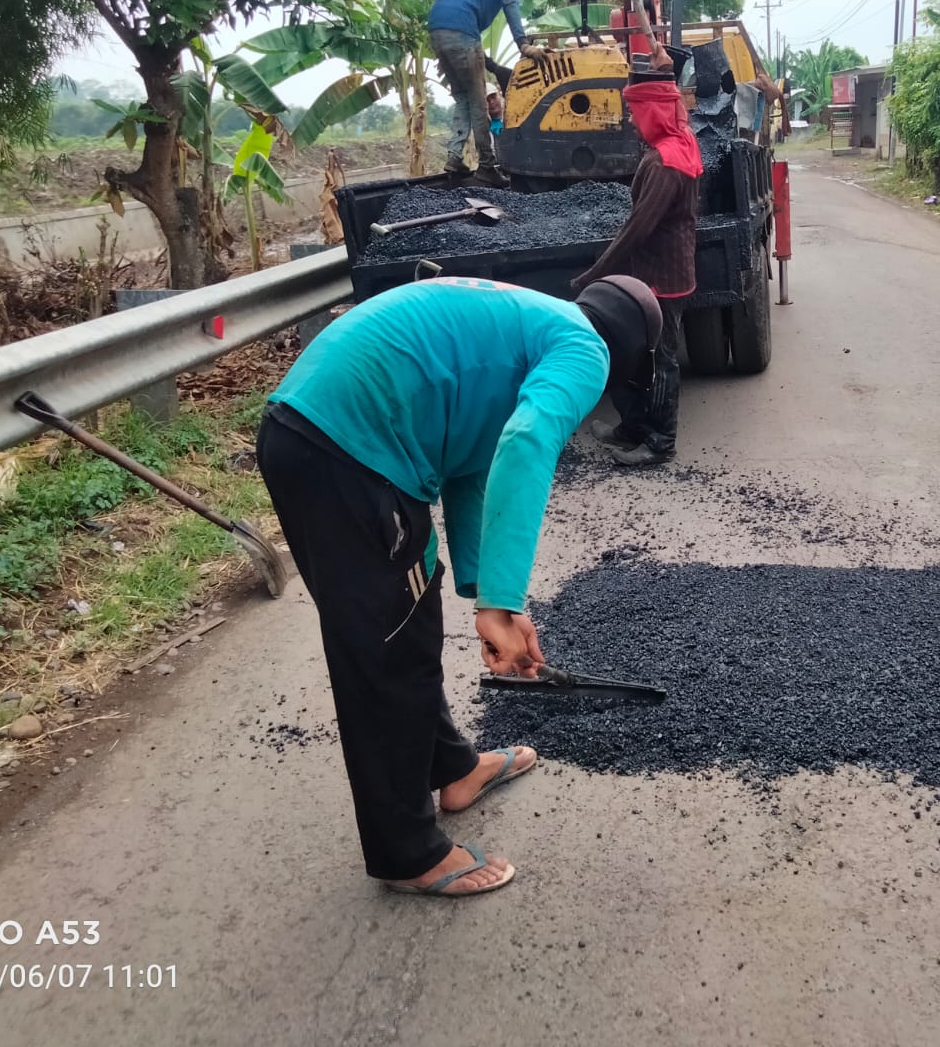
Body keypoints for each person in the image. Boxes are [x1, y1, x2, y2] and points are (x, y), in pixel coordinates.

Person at [256, 274, 663, 897]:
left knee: (407, 621)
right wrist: (505, 605)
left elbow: (473, 462)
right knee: (385, 652)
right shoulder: (587, 348)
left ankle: (455, 768)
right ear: (627, 354)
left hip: (326, 433)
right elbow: (525, 442)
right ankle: (407, 853)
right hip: (348, 447)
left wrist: (484, 595)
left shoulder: (536, 322)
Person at [572, 49, 702, 466]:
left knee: (662, 359)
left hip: (663, 278)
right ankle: (633, 426)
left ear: (653, 113)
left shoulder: (666, 163)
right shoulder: (675, 145)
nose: (630, 120)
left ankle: (660, 443)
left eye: (635, 111)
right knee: (629, 351)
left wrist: (593, 275)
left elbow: (638, 229)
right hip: (658, 273)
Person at [427, 0, 548, 187]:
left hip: (437, 31)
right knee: (477, 99)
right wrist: (523, 44)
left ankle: (454, 157)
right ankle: (487, 166)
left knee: (463, 97)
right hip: (461, 31)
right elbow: (510, 0)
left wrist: (490, 64)